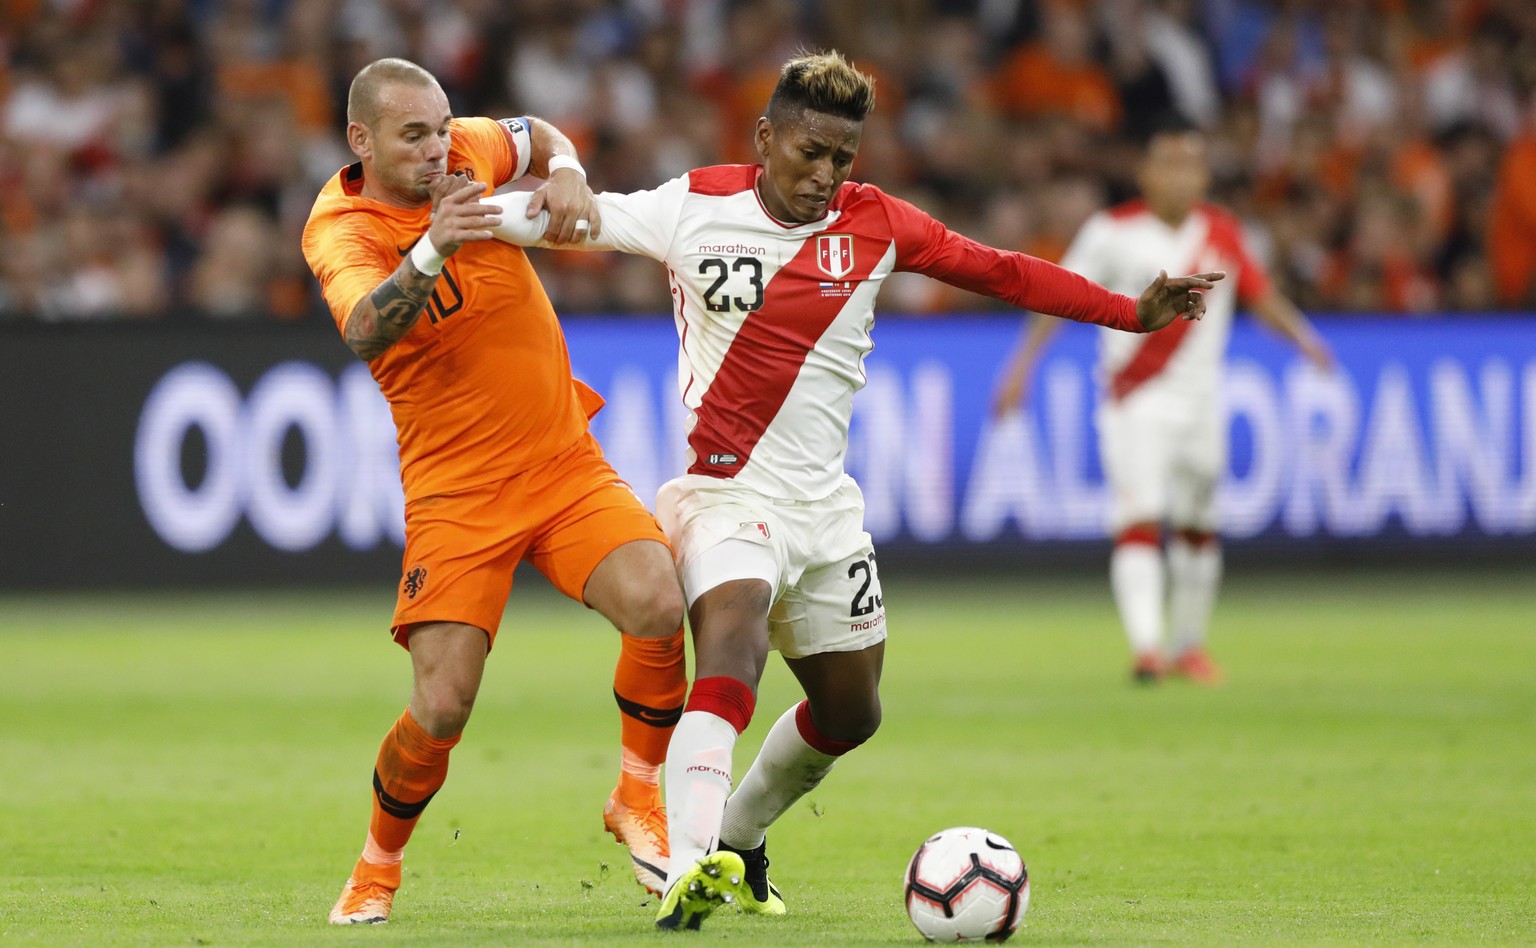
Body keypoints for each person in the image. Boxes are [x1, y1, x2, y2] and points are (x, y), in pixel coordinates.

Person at [487, 51, 1222, 930]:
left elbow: (1002, 271)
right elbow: (566, 218)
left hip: (825, 510)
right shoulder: (693, 205)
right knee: (733, 643)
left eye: (843, 157)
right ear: (766, 138)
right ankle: (684, 868)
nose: (826, 174)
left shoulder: (878, 224)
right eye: (809, 152)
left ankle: (739, 838)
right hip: (724, 495)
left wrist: (1126, 313)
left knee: (852, 710)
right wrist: (455, 219)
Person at [299, 58, 688, 925]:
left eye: (443, 129)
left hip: (560, 459)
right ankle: (376, 864)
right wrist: (436, 242)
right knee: (442, 704)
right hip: (456, 491)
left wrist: (568, 172)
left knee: (659, 599)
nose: (439, 149)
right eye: (414, 136)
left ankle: (638, 796)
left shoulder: (464, 150)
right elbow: (367, 331)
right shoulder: (339, 227)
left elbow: (537, 131)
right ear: (361, 139)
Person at [993, 119, 1333, 685]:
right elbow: (1057, 295)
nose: (1181, 176)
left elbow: (1260, 294)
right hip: (1136, 400)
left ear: (1203, 174)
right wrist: (1021, 367)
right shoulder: (1111, 231)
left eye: (1191, 164)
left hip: (1203, 406)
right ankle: (1147, 648)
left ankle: (1189, 646)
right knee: (1140, 514)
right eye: (1169, 163)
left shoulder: (1222, 230)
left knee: (1200, 523)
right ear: (1145, 173)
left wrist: (1306, 340)